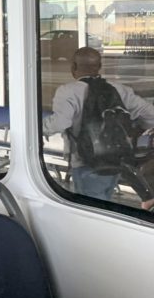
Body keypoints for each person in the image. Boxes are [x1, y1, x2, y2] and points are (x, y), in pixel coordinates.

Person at [43, 47, 154, 209]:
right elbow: (150, 114)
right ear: (99, 66)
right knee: (105, 203)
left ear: (73, 67)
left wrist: (40, 129)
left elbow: (60, 122)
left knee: (92, 210)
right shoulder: (119, 90)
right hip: (116, 160)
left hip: (86, 161)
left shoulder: (68, 91)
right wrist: (140, 129)